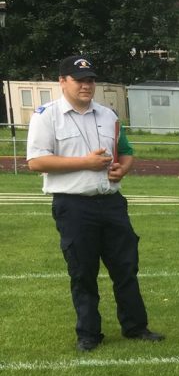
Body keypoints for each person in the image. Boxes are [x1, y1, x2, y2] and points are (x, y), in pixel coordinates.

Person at [25, 55, 164, 352]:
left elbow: (125, 152)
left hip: (111, 202)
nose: (87, 85)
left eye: (90, 80)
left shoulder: (108, 115)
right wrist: (85, 163)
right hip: (74, 206)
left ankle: (135, 326)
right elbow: (36, 161)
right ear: (62, 82)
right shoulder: (46, 116)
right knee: (83, 271)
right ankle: (89, 334)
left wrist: (122, 168)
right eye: (79, 80)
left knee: (126, 267)